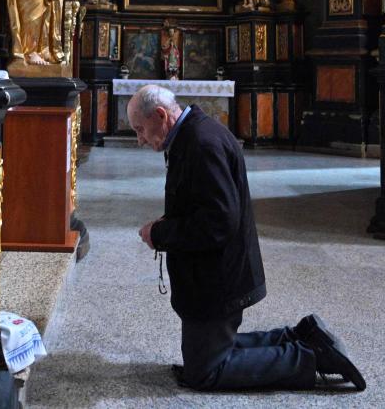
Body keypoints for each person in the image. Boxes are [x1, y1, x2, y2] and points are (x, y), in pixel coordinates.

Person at [128, 85, 365, 392]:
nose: (140, 139)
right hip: (213, 273)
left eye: (140, 129)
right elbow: (207, 205)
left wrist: (159, 233)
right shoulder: (194, 133)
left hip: (218, 279)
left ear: (160, 115)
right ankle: (299, 336)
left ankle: (309, 357)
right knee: (208, 355)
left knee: (206, 372)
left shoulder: (201, 143)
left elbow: (218, 222)